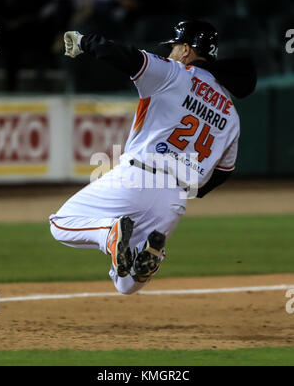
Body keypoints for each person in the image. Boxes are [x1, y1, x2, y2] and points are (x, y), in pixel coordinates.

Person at [49, 20, 257, 295]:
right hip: (175, 199)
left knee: (61, 223)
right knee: (126, 285)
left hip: (139, 176)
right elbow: (223, 173)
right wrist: (189, 189)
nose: (169, 52)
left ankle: (108, 234)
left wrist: (85, 42)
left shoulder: (176, 73)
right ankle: (149, 255)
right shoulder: (230, 113)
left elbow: (128, 57)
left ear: (186, 50)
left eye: (173, 47)